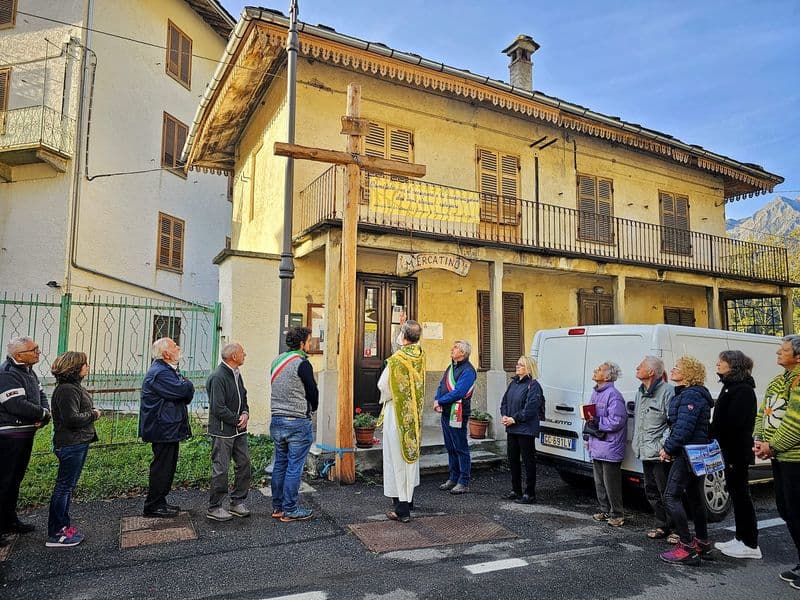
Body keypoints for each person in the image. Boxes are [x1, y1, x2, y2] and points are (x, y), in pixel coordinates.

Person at [754, 335, 800, 589]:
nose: (777, 353)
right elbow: (763, 412)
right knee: (786, 509)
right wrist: (760, 439)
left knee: (796, 510)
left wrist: (772, 445)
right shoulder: (777, 381)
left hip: (795, 457)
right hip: (780, 456)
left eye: (783, 350)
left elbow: (795, 422)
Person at [658, 355, 713, 566]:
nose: (672, 370)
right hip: (696, 452)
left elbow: (683, 428)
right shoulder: (692, 394)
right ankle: (702, 542)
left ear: (688, 373)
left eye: (677, 367)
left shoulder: (690, 396)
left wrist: (668, 448)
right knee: (695, 498)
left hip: (687, 453)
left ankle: (687, 546)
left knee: (671, 496)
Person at [46, 351, 101, 548]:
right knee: (64, 487)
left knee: (67, 487)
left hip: (76, 442)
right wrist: (93, 414)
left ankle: (63, 526)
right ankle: (57, 531)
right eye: (84, 364)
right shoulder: (68, 390)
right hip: (71, 443)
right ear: (74, 367)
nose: (87, 367)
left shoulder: (71, 388)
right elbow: (71, 418)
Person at [0, 336, 50, 546]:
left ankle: (10, 520)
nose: (38, 352)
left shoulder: (29, 371)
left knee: (15, 480)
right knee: (4, 481)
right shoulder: (7, 374)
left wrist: (44, 413)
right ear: (19, 355)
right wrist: (42, 414)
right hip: (10, 436)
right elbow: (17, 404)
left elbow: (41, 394)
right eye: (34, 350)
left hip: (25, 433)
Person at [711, 350, 761, 559]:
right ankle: (741, 537)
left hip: (736, 451)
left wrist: (713, 433)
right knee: (736, 493)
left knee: (741, 495)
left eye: (721, 362)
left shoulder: (742, 390)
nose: (717, 364)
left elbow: (733, 423)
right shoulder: (730, 387)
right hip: (729, 449)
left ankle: (750, 543)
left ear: (733, 366)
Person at [138, 337, 194, 518]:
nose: (178, 347)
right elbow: (183, 391)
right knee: (162, 468)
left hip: (166, 427)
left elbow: (183, 394)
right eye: (174, 346)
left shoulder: (166, 370)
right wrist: (187, 384)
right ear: (166, 354)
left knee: (166, 467)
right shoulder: (161, 373)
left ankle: (160, 502)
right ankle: (153, 505)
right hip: (162, 428)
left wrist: (185, 386)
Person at [378, 319, 425, 523]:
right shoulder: (420, 354)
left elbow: (383, 385)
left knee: (395, 458)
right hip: (413, 414)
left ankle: (401, 508)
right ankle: (409, 498)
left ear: (403, 337)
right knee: (410, 457)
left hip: (396, 413)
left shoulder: (397, 359)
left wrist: (389, 396)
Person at [270, 327, 319, 522]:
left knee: (280, 464)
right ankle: (290, 509)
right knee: (294, 467)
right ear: (301, 343)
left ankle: (278, 507)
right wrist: (313, 408)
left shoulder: (277, 361)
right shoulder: (302, 363)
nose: (310, 344)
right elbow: (312, 391)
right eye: (309, 341)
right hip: (297, 421)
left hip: (277, 420)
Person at [206, 343, 251, 522]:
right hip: (223, 432)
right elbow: (218, 407)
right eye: (242, 352)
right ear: (233, 356)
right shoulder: (218, 377)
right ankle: (215, 506)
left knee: (244, 463)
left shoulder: (236, 374)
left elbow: (244, 396)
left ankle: (237, 501)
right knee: (221, 469)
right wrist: (236, 419)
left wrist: (246, 413)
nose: (245, 354)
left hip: (239, 430)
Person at [631, 356, 674, 540]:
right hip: (644, 450)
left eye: (640, 366)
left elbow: (672, 423)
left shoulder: (667, 392)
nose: (637, 368)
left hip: (660, 453)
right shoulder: (640, 392)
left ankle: (677, 529)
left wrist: (663, 446)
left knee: (667, 492)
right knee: (651, 490)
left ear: (651, 372)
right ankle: (661, 525)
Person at [585, 361, 627, 527]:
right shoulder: (595, 393)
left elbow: (617, 421)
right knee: (599, 482)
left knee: (611, 483)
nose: (595, 371)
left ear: (608, 376)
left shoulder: (613, 395)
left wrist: (597, 422)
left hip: (610, 445)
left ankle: (617, 513)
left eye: (599, 370)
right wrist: (587, 437)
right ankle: (604, 510)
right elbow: (589, 417)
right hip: (598, 443)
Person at [434, 340, 477, 494]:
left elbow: (459, 392)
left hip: (458, 413)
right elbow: (441, 385)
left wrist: (440, 400)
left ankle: (463, 481)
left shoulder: (468, 371)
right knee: (450, 446)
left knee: (460, 447)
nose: (452, 349)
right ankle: (453, 477)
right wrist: (436, 399)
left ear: (463, 353)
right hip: (446, 412)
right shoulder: (451, 367)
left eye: (456, 347)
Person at [500, 355, 543, 504]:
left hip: (525, 429)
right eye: (517, 364)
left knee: (528, 461)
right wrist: (505, 415)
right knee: (512, 460)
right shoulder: (513, 383)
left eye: (521, 365)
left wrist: (514, 418)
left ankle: (529, 493)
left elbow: (531, 408)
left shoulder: (533, 385)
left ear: (529, 368)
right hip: (512, 428)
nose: (517, 366)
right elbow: (505, 401)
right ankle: (515, 490)